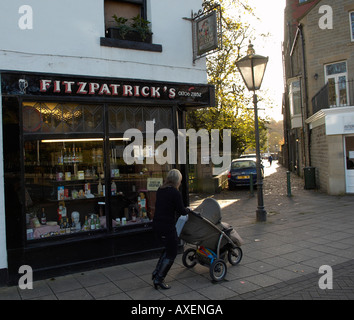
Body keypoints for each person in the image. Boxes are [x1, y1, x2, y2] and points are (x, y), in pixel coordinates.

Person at [152, 169, 189, 290]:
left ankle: (156, 272)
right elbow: (181, 211)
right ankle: (159, 278)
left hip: (157, 224)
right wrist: (188, 209)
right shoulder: (174, 192)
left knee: (167, 249)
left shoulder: (160, 190)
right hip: (167, 226)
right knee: (172, 252)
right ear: (177, 180)